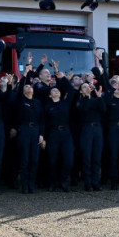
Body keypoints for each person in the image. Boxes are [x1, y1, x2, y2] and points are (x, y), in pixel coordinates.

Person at [10, 62, 44, 194]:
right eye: (26, 87)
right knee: (25, 158)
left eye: (30, 86)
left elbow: (42, 119)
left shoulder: (38, 103)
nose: (29, 88)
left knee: (34, 159)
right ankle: (24, 184)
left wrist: (41, 134)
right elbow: (20, 89)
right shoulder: (21, 101)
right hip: (24, 130)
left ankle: (31, 183)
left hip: (35, 131)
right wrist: (25, 74)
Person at [43, 64, 76, 192]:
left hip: (66, 134)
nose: (56, 91)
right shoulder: (47, 106)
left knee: (68, 160)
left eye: (57, 90)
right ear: (50, 95)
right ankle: (52, 182)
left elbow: (71, 90)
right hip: (53, 134)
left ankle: (63, 180)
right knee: (53, 160)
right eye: (53, 91)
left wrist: (62, 78)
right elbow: (44, 122)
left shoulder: (65, 103)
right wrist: (44, 137)